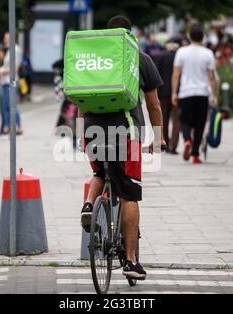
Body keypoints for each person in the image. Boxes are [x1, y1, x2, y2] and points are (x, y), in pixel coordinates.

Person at [79, 16, 165, 280]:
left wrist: (81, 133)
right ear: (131, 35)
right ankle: (130, 261)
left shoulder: (95, 59)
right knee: (129, 193)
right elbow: (154, 106)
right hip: (126, 133)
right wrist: (158, 137)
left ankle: (88, 205)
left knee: (100, 174)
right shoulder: (140, 59)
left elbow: (81, 100)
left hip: (92, 129)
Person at [172, 25, 218, 164]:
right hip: (202, 93)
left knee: (184, 121)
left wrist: (174, 92)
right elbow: (211, 76)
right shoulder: (208, 53)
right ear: (203, 37)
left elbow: (176, 74)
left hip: (186, 92)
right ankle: (196, 155)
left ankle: (187, 140)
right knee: (199, 124)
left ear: (189, 37)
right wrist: (214, 95)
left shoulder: (181, 52)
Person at [155, 38, 183, 154]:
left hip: (163, 93)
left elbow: (156, 76)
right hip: (178, 93)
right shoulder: (179, 57)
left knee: (164, 119)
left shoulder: (160, 57)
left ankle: (165, 143)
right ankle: (174, 146)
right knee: (176, 120)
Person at [0, 32, 23, 139]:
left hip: (12, 81)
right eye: (4, 38)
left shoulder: (15, 50)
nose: (5, 40)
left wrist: (0, 72)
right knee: (6, 105)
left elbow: (15, 68)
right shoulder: (9, 50)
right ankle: (8, 128)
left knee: (10, 105)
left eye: (6, 38)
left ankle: (16, 128)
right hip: (6, 81)